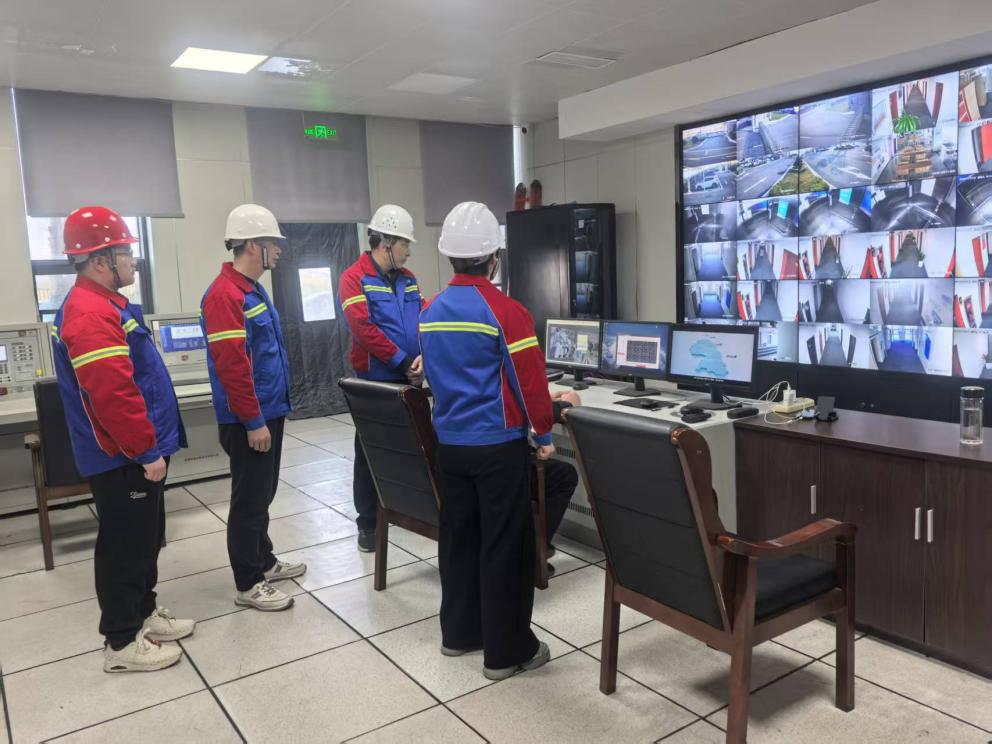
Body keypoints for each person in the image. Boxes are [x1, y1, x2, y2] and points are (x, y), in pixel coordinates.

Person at [52, 205, 194, 672]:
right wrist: (145, 450)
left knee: (146, 539)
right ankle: (120, 641)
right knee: (125, 546)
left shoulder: (106, 303)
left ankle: (143, 614)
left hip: (135, 449)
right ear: (100, 261)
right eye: (125, 253)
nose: (134, 260)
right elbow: (113, 394)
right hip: (121, 456)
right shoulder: (89, 313)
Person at [420, 201, 554, 681]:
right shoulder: (506, 312)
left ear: (451, 256)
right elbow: (529, 381)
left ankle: (459, 634)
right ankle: (507, 652)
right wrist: (543, 433)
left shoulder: (430, 312)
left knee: (459, 541)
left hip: (450, 446)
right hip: (496, 448)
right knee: (505, 547)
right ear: (493, 258)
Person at [200, 204, 305, 612]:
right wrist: (253, 420)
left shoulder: (252, 289)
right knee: (248, 500)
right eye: (272, 243)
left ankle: (264, 560)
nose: (278, 250)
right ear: (250, 246)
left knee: (263, 493)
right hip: (249, 419)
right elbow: (232, 366)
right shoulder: (224, 295)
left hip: (268, 410)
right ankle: (248, 582)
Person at [339, 204, 423, 552]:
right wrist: (403, 361)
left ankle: (404, 511)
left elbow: (422, 318)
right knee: (370, 450)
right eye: (405, 243)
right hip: (376, 379)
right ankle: (368, 522)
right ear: (386, 242)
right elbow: (363, 329)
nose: (408, 250)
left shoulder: (409, 278)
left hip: (410, 375)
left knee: (410, 447)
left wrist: (421, 358)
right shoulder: (354, 278)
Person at [539, 391, 581, 567]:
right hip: (501, 464)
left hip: (461, 457)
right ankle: (536, 549)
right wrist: (567, 405)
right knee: (564, 475)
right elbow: (534, 413)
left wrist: (542, 398)